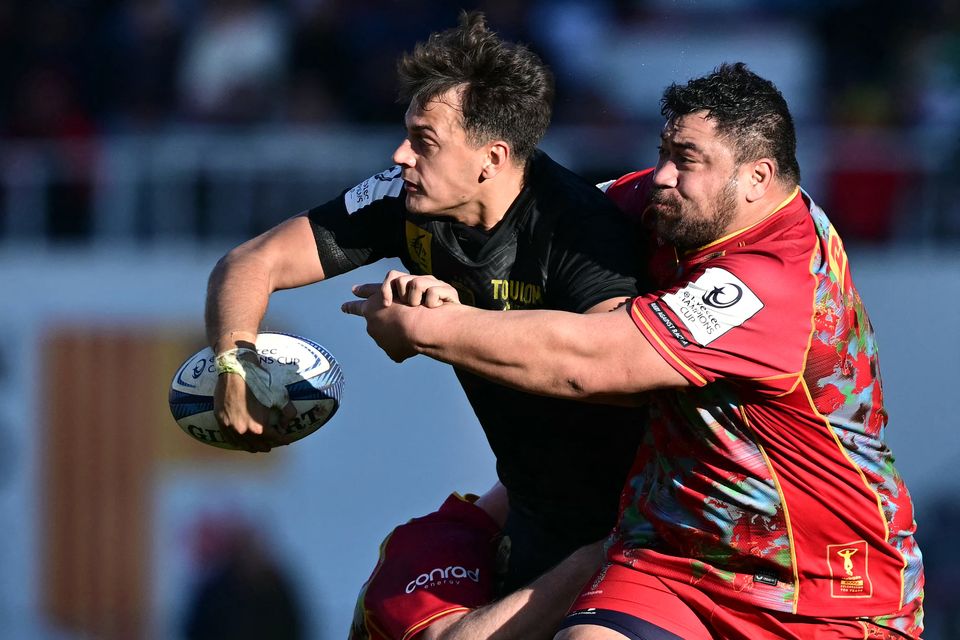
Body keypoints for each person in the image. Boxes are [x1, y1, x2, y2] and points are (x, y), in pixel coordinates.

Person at [344, 63, 925, 639]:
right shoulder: (668, 206)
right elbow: (529, 220)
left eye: (688, 160)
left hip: (826, 585)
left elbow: (592, 363)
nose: (662, 175)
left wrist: (433, 329)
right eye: (665, 151)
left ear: (757, 177)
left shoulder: (774, 282)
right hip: (674, 557)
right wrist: (446, 277)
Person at [204, 11, 646, 638]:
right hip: (529, 510)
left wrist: (444, 329)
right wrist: (233, 358)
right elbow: (252, 262)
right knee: (378, 619)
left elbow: (614, 369)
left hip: (628, 529)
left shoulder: (581, 230)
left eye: (424, 140)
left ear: (491, 158)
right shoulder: (404, 200)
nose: (400, 154)